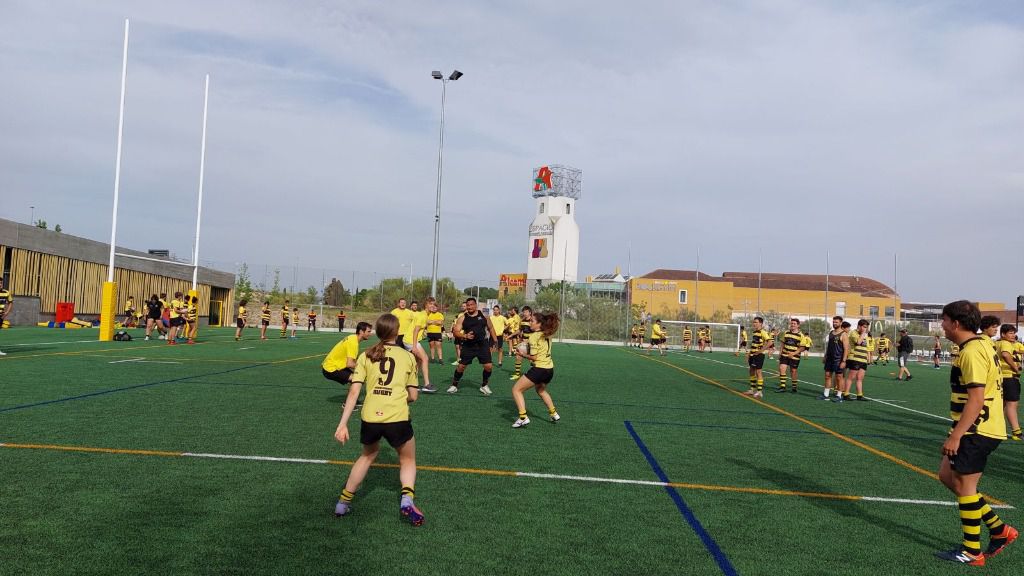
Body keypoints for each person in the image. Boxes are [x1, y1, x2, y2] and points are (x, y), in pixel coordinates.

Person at [934, 300, 1016, 566]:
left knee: (966, 487)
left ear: (956, 323)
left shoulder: (971, 352)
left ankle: (972, 552)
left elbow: (976, 399)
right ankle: (999, 530)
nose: (942, 326)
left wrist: (957, 435)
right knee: (948, 476)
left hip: (977, 429)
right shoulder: (980, 343)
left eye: (944, 320)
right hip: (979, 426)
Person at [333, 314, 423, 526]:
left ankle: (342, 503)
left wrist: (342, 424)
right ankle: (407, 500)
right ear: (396, 331)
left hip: (370, 417)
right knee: (407, 459)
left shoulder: (366, 355)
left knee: (367, 456)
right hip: (397, 417)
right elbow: (413, 396)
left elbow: (354, 393)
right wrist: (398, 398)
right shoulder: (408, 357)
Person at [511, 311, 561, 428]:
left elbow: (534, 357)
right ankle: (554, 413)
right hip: (549, 369)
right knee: (541, 391)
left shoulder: (534, 336)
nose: (530, 323)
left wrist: (521, 354)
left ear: (539, 324)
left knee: (516, 390)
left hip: (539, 369)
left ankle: (523, 417)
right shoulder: (547, 334)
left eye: (532, 321)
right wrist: (526, 345)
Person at [449, 297, 498, 395]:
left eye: (472, 305)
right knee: (461, 366)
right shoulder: (462, 317)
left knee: (488, 366)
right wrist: (464, 335)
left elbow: (491, 328)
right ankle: (454, 385)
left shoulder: (484, 315)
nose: (470, 307)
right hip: (468, 345)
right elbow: (455, 332)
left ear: (476, 305)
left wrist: (495, 341)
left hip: (482, 344)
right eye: (468, 305)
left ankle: (484, 385)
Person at [996, 325, 1022, 442]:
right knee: (1012, 405)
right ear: (1003, 334)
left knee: (1001, 405)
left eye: (1013, 333)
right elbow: (1006, 355)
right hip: (1009, 378)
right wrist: (1015, 367)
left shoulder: (999, 343)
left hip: (1002, 378)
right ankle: (1017, 432)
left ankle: (995, 428)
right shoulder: (1005, 343)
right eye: (1010, 333)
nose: (1013, 335)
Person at [840, 319, 871, 402]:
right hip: (854, 359)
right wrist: (864, 333)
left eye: (866, 327)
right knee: (851, 377)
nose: (865, 328)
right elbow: (858, 342)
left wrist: (867, 358)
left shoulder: (865, 335)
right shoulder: (853, 333)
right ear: (859, 326)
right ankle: (846, 394)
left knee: (860, 378)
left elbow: (866, 347)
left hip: (863, 359)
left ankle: (859, 395)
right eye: (864, 327)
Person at [407, 300, 434, 393]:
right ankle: (427, 384)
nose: (433, 306)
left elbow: (426, 323)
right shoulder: (422, 315)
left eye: (434, 304)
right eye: (430, 304)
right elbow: (416, 330)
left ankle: (413, 383)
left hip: (411, 340)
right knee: (425, 359)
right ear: (426, 305)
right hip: (410, 340)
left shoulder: (425, 315)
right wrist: (414, 346)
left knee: (417, 361)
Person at [820, 316, 849, 399]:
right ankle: (826, 395)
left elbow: (846, 349)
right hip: (829, 359)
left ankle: (839, 396)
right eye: (833, 322)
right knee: (827, 375)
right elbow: (829, 346)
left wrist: (844, 361)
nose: (834, 323)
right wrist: (825, 356)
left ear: (840, 323)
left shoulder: (843, 334)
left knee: (839, 377)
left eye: (836, 322)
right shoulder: (831, 333)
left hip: (838, 359)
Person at [775, 318, 806, 394]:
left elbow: (802, 347)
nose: (792, 325)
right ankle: (783, 387)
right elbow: (782, 343)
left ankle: (794, 387)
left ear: (798, 325)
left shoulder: (801, 336)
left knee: (793, 371)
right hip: (784, 354)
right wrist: (780, 353)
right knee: (782, 368)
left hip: (794, 356)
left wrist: (794, 353)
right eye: (791, 323)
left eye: (794, 324)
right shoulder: (786, 333)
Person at [743, 317, 770, 398]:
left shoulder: (763, 332)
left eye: (756, 322)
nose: (754, 323)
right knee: (751, 370)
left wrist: (761, 351)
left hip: (759, 355)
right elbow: (754, 344)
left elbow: (770, 342)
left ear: (761, 323)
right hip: (753, 355)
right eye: (754, 322)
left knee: (758, 372)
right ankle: (752, 389)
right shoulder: (755, 332)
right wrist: (749, 353)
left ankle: (759, 391)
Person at [425, 299, 445, 364]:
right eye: (432, 307)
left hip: (437, 333)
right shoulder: (428, 314)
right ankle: (433, 358)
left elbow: (440, 323)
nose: (434, 308)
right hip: (430, 332)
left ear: (437, 308)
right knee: (431, 345)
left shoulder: (440, 314)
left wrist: (432, 321)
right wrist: (435, 321)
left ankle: (440, 359)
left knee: (438, 345)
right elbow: (427, 322)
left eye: (435, 307)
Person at [0, 278, 12, 356]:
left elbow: (10, 302)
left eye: (1, 283)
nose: (0, 284)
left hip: (0, 316)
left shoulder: (6, 292)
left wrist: (7, 312)